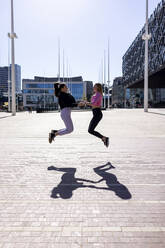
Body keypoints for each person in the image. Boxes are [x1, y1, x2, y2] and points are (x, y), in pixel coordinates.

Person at [84, 83, 109, 147]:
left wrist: (86, 103)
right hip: (95, 113)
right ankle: (104, 138)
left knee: (90, 130)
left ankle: (104, 138)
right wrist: (86, 103)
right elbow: (93, 104)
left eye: (95, 86)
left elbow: (94, 104)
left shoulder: (98, 94)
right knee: (90, 130)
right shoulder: (95, 94)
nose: (93, 87)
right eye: (94, 86)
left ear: (98, 88)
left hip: (97, 113)